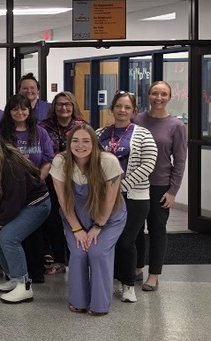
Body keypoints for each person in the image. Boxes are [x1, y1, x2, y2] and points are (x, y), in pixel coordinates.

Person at [51, 126, 126, 315]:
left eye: (86, 141)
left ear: (94, 143)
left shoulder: (108, 161)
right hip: (75, 217)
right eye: (75, 140)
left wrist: (97, 226)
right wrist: (77, 229)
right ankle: (78, 301)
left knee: (98, 253)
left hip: (108, 218)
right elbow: (63, 201)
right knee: (78, 253)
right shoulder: (60, 161)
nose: (80, 145)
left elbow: (109, 201)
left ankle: (100, 305)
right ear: (69, 143)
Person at [0, 129, 51, 304]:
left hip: (37, 204)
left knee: (8, 237)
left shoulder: (10, 165)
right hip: (16, 205)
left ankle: (24, 286)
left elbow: (14, 200)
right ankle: (14, 277)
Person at [98, 91, 157, 304]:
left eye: (127, 107)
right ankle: (110, 280)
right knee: (107, 240)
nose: (122, 110)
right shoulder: (100, 133)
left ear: (134, 111)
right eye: (118, 106)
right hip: (103, 197)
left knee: (126, 241)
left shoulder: (143, 134)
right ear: (112, 109)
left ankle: (128, 284)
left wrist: (121, 187)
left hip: (134, 197)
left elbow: (148, 164)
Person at [134, 80, 187, 292]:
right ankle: (137, 267)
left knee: (157, 230)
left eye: (163, 94)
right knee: (135, 229)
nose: (159, 98)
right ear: (148, 95)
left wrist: (173, 191)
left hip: (160, 186)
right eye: (155, 93)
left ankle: (154, 275)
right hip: (136, 183)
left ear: (169, 98)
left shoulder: (176, 126)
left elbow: (180, 161)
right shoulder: (137, 120)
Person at [0, 94, 55, 283]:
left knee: (34, 233)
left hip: (35, 191)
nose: (20, 112)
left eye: (24, 108)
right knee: (14, 231)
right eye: (15, 109)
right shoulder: (1, 133)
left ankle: (35, 272)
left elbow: (48, 160)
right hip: (11, 190)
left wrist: (37, 180)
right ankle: (16, 273)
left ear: (29, 111)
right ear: (9, 111)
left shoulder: (40, 132)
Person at [39, 91, 87, 275]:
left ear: (73, 106)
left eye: (67, 104)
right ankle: (58, 260)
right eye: (59, 104)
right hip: (50, 183)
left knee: (77, 220)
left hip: (76, 183)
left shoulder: (82, 126)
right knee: (54, 223)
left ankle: (78, 259)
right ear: (54, 106)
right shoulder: (43, 127)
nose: (63, 107)